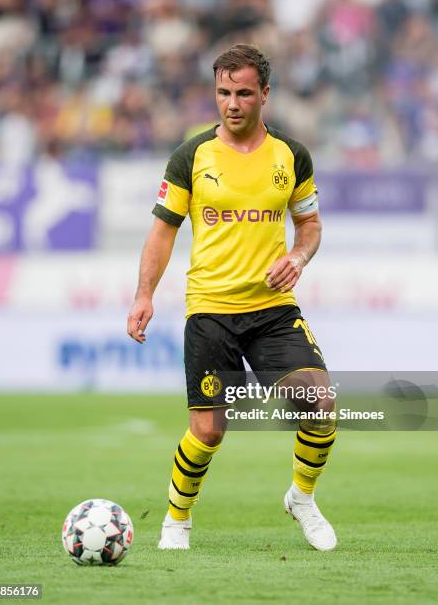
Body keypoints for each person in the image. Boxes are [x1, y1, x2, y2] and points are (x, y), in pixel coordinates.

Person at [127, 44, 337, 552]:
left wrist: (299, 257)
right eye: (223, 92)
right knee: (209, 432)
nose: (232, 103)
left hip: (272, 310)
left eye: (244, 93)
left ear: (265, 93)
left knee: (321, 403)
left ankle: (302, 498)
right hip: (210, 311)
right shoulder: (191, 156)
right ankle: (177, 519)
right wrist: (143, 296)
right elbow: (162, 232)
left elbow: (308, 224)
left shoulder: (291, 156)